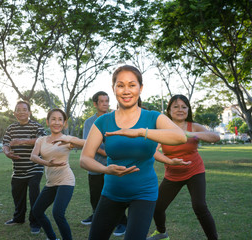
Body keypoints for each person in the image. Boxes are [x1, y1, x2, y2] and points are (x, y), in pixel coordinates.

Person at [79, 65, 187, 240]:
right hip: (112, 192)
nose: (126, 90)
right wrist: (106, 169)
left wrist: (140, 132)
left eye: (132, 85)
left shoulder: (153, 117)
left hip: (144, 193)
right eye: (120, 85)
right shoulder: (103, 121)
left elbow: (180, 136)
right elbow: (84, 158)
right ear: (113, 88)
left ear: (140, 88)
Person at [147, 94, 220, 240]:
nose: (180, 109)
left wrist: (190, 134)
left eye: (184, 107)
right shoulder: (162, 129)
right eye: (176, 106)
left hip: (195, 171)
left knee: (199, 206)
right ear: (169, 110)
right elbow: (153, 150)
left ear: (188, 109)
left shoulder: (193, 126)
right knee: (157, 206)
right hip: (173, 174)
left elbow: (215, 137)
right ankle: (161, 233)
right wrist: (169, 161)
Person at [30, 108, 86, 240]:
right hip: (51, 182)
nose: (57, 122)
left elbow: (87, 143)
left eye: (60, 119)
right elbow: (33, 156)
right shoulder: (41, 140)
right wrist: (47, 163)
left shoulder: (66, 138)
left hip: (66, 180)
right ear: (47, 121)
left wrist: (71, 142)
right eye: (53, 119)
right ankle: (52, 237)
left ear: (65, 123)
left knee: (58, 213)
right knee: (37, 211)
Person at [80, 91, 127, 237]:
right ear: (95, 104)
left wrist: (107, 151)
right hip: (94, 165)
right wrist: (104, 151)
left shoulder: (115, 118)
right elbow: (89, 144)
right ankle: (96, 216)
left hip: (112, 165)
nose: (105, 104)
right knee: (95, 196)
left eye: (107, 101)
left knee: (115, 195)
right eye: (102, 101)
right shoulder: (89, 122)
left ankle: (122, 223)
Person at [2, 101, 46, 235]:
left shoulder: (36, 126)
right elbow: (5, 143)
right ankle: (18, 218)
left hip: (34, 167)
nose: (21, 112)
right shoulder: (11, 128)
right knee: (17, 195)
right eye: (18, 110)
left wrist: (21, 141)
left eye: (24, 109)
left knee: (34, 196)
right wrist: (7, 152)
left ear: (29, 112)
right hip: (18, 169)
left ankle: (35, 223)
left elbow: (42, 140)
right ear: (15, 113)